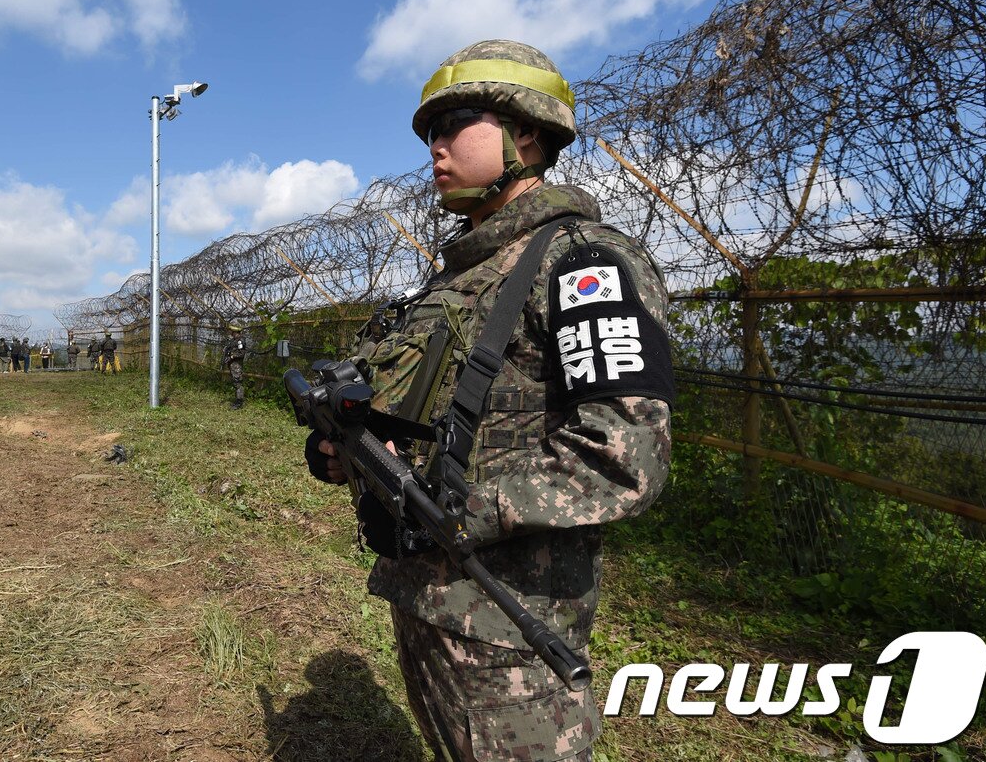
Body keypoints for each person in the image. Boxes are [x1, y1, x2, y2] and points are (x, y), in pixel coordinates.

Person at [304, 40, 675, 762]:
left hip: (510, 628)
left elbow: (623, 458)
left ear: (525, 132)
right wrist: (345, 452)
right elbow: (427, 420)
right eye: (429, 133)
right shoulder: (461, 276)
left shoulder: (581, 263)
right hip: (430, 600)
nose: (435, 147)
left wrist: (459, 511)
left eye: (454, 125)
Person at [221, 325, 246, 409]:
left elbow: (241, 353)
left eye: (232, 331)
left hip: (236, 365)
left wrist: (232, 356)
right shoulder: (233, 340)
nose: (230, 333)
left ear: (235, 332)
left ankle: (239, 402)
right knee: (235, 382)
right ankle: (237, 400)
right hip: (232, 364)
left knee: (238, 382)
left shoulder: (240, 341)